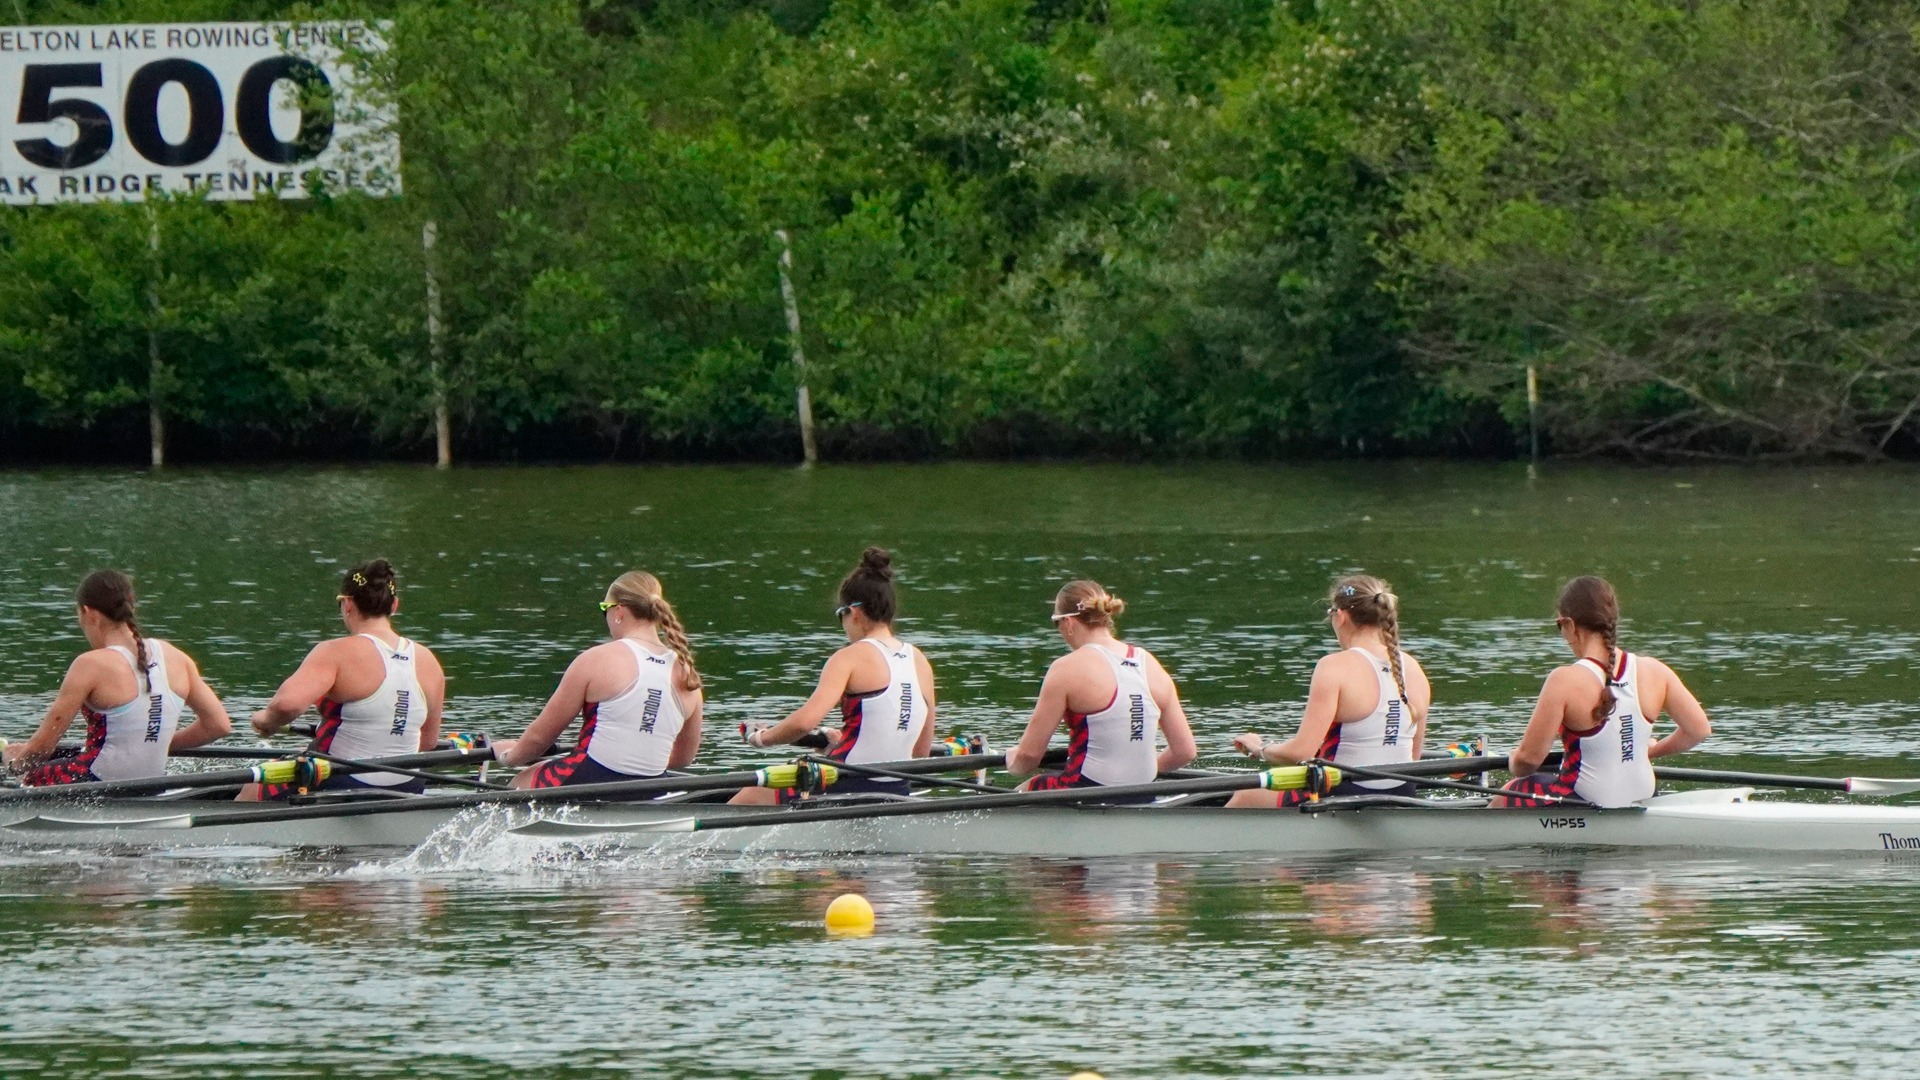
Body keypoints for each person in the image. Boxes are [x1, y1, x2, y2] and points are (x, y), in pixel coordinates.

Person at [730, 547, 934, 804]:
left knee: (752, 792)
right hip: (897, 790)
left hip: (847, 784)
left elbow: (804, 723)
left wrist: (762, 738)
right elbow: (921, 750)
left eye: (841, 615)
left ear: (855, 612)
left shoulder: (849, 657)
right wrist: (845, 743)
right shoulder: (919, 660)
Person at [1494, 575, 1711, 808]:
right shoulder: (1655, 670)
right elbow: (1699, 730)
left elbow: (1529, 761)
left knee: (1516, 787)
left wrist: (1513, 759)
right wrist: (1651, 751)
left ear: (1569, 624)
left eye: (1559, 626)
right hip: (1643, 796)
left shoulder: (1564, 680)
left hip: (1586, 801)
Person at [3, 570, 231, 785]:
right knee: (55, 754)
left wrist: (12, 767)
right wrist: (154, 742)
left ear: (88, 613)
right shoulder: (177, 657)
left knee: (31, 774)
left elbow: (42, 747)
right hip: (152, 783)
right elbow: (218, 725)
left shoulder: (90, 664)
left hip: (98, 781)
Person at [244, 560, 446, 799]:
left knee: (249, 786)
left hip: (340, 781)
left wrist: (266, 721)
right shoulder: (429, 662)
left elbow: (287, 705)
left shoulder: (336, 652)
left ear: (347, 604)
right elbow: (429, 741)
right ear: (394, 605)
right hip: (408, 787)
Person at [1228, 575, 1432, 807]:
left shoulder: (1334, 667)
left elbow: (1300, 753)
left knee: (1245, 794)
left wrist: (1260, 748)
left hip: (1342, 791)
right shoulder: (1414, 668)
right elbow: (1414, 758)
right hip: (1402, 792)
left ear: (1341, 616)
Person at [493, 571, 704, 790]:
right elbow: (683, 758)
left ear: (618, 611)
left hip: (590, 779)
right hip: (650, 789)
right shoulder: (688, 675)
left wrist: (509, 756)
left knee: (520, 782)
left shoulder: (596, 659)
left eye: (604, 609)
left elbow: (539, 739)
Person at [1004, 580, 1197, 800]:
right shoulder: (1150, 664)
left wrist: (1013, 762)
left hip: (1086, 791)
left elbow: (1029, 756)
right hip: (1144, 793)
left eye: (1055, 624)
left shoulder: (1066, 668)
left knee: (1024, 789)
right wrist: (1134, 775)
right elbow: (1185, 751)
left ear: (1068, 622)